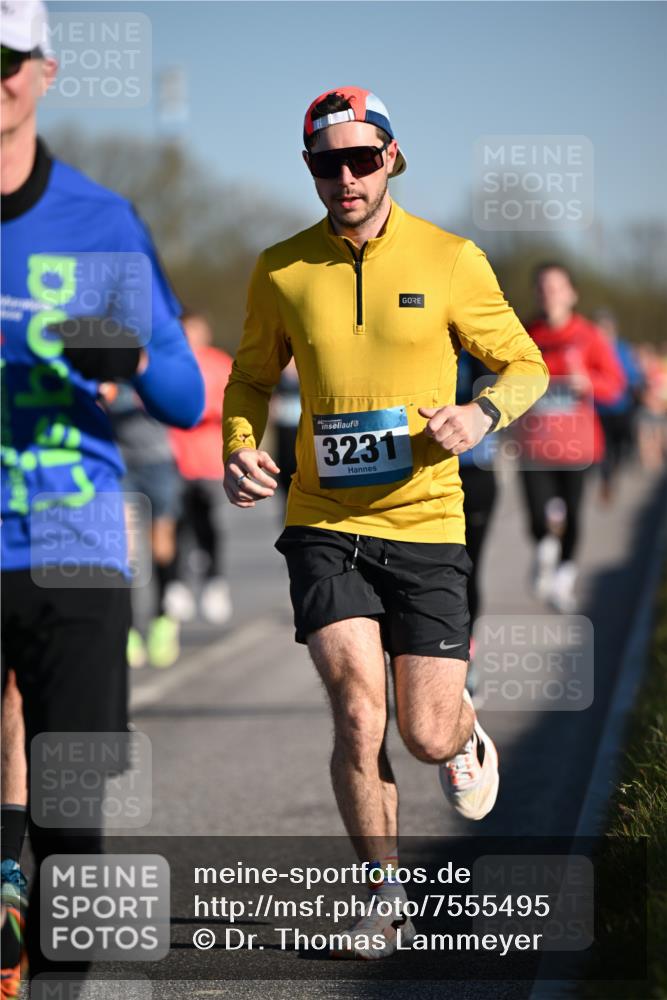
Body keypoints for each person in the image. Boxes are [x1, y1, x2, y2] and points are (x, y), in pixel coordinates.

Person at [223, 86, 549, 959]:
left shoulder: (450, 259)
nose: (345, 177)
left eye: (361, 159)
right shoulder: (282, 267)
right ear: (310, 171)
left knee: (423, 730)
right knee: (357, 712)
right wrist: (240, 444)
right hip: (322, 519)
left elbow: (524, 364)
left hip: (427, 520)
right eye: (327, 163)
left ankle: (459, 732)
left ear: (392, 159)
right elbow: (250, 378)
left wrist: (481, 416)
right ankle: (385, 896)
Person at [0, 2, 205, 990]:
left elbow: (182, 394)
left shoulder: (100, 220)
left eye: (8, 58)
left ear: (44, 70)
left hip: (75, 551)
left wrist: (122, 351)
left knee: (70, 825)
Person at [514, 264, 626, 612]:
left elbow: (616, 386)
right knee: (534, 515)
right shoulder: (525, 335)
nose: (550, 293)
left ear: (572, 294)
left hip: (577, 446)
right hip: (534, 444)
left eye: (557, 287)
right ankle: (545, 547)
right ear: (536, 293)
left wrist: (588, 382)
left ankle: (564, 577)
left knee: (574, 514)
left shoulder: (590, 337)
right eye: (543, 287)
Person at [105, 382, 185, 668]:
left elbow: (180, 404)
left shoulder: (149, 363)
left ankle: (163, 617)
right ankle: (126, 627)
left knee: (161, 546)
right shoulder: (105, 364)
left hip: (158, 462)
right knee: (124, 548)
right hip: (120, 463)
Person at [168, 312, 234, 625]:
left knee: (209, 522)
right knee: (177, 524)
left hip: (209, 459)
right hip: (177, 457)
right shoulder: (171, 363)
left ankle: (214, 581)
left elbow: (234, 402)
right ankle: (177, 583)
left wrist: (200, 412)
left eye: (197, 331)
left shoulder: (219, 362)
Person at [592, 309, 644, 502]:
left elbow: (633, 375)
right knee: (605, 449)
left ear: (613, 329)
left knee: (620, 448)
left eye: (604, 328)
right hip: (598, 409)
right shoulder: (591, 348)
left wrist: (634, 386)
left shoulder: (622, 349)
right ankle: (606, 479)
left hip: (621, 408)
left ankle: (613, 472)